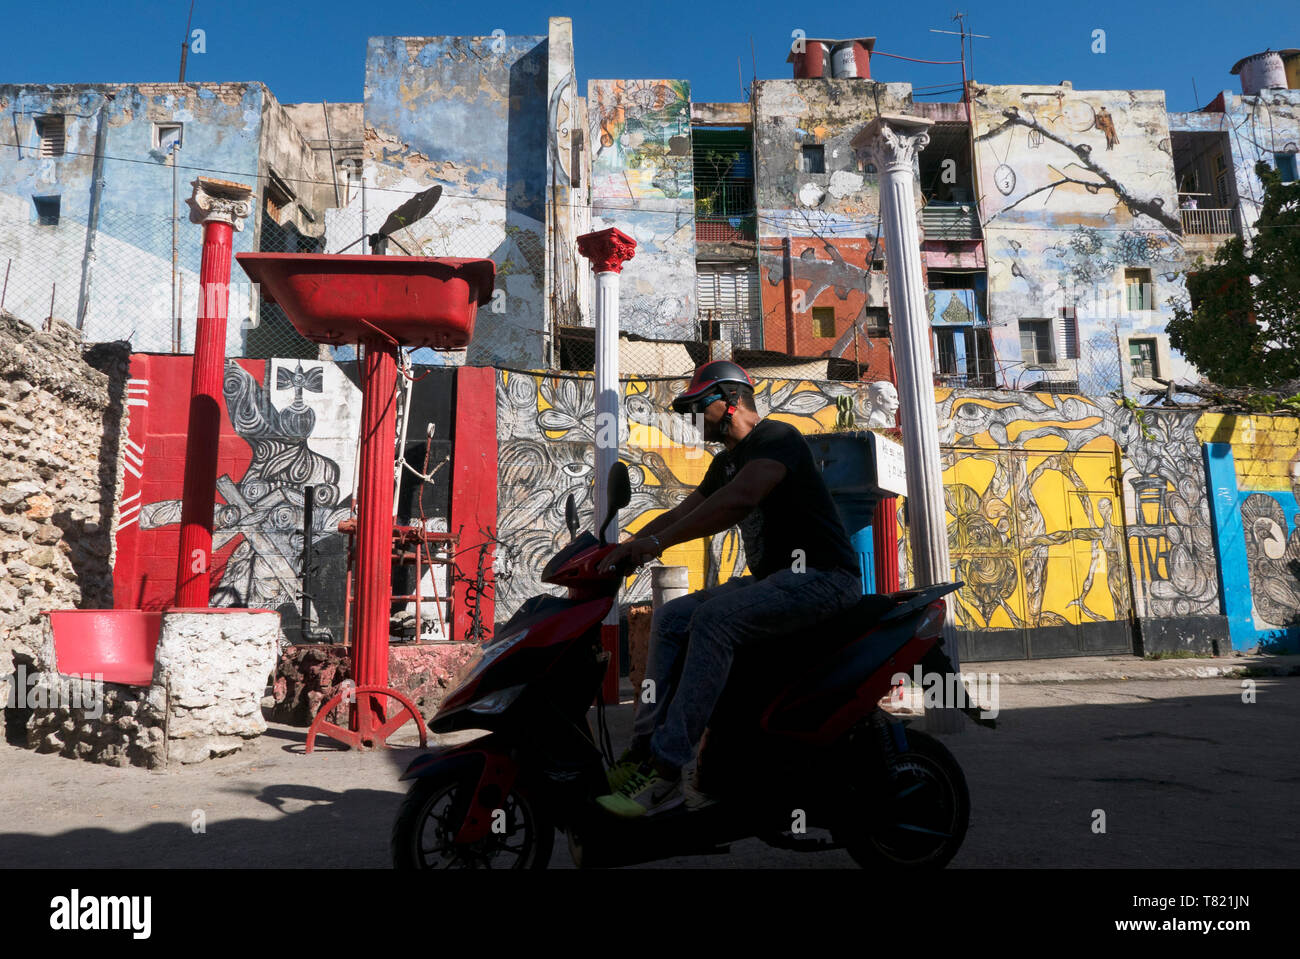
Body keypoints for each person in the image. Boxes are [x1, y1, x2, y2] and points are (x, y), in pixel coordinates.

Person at [594, 361, 862, 817]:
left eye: (699, 408)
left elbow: (738, 502)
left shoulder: (778, 439)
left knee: (714, 620)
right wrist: (629, 545)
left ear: (731, 401)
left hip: (823, 578)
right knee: (675, 615)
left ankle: (666, 770)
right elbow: (681, 513)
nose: (692, 419)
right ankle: (643, 751)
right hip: (775, 581)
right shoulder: (726, 463)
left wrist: (657, 544)